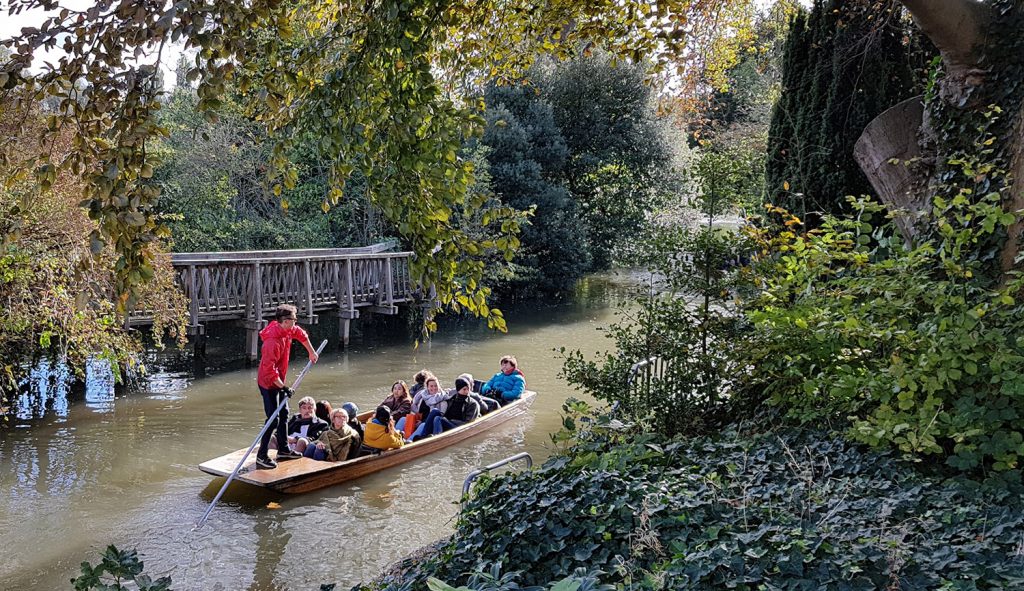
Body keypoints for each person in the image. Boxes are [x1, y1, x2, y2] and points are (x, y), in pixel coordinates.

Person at [256, 303, 319, 470]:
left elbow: (301, 334)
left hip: (279, 380)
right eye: (293, 319)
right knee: (272, 419)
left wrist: (311, 352)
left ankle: (283, 450)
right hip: (268, 383)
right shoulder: (272, 342)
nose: (296, 322)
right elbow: (269, 372)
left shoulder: (288, 329)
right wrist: (283, 387)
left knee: (284, 413)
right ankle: (261, 456)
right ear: (284, 321)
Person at [408, 376, 454, 441]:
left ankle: (411, 440)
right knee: (404, 419)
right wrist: (417, 419)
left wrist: (422, 422)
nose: (434, 388)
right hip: (421, 421)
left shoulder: (442, 399)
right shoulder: (422, 398)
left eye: (435, 386)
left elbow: (440, 417)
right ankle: (403, 438)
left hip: (433, 424)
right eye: (431, 386)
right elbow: (417, 411)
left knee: (434, 412)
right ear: (427, 387)